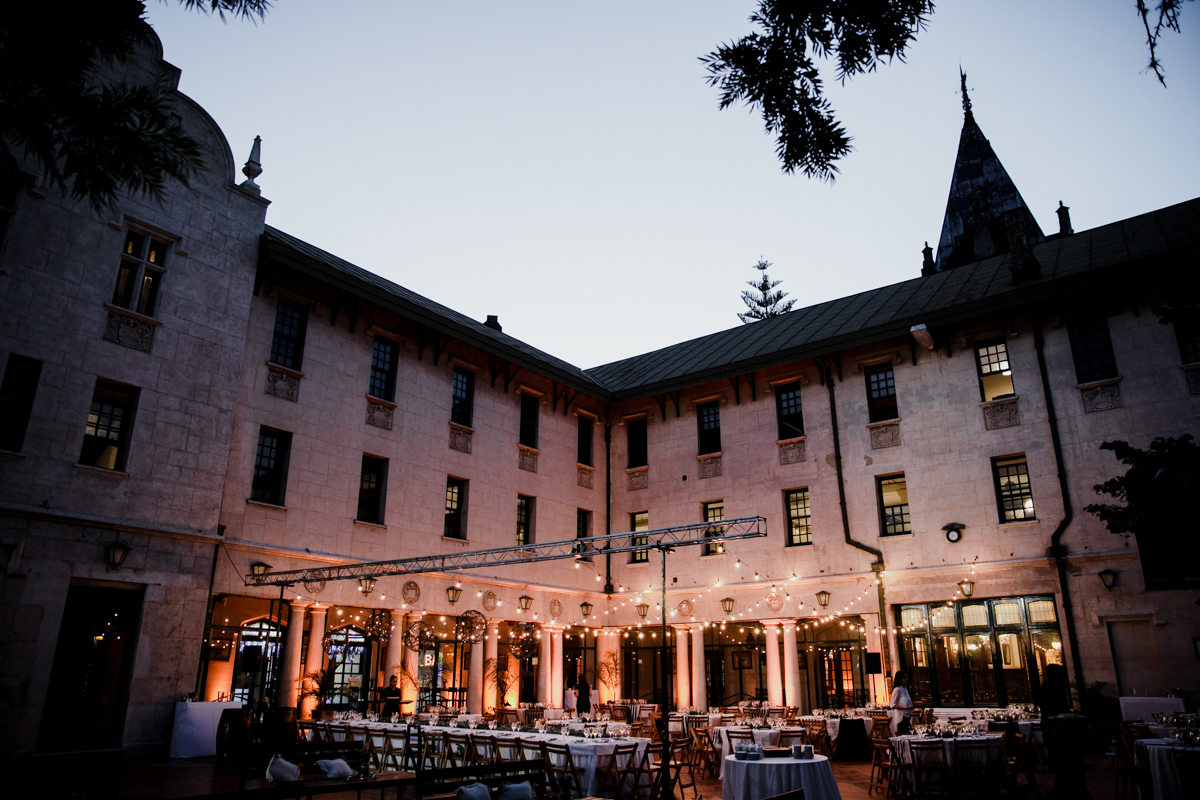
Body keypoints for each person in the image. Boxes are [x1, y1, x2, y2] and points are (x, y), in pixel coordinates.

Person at [890, 670, 914, 735]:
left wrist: (914, 703)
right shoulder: (897, 689)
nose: (907, 679)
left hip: (908, 716)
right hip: (902, 717)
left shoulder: (904, 688)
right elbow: (892, 705)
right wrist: (905, 708)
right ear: (900, 679)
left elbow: (905, 701)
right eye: (905, 677)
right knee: (904, 734)